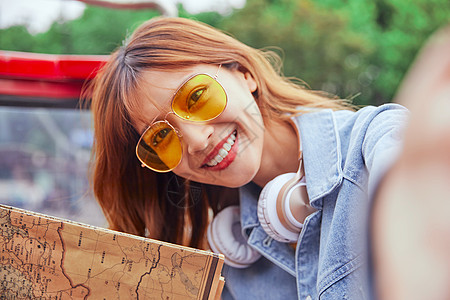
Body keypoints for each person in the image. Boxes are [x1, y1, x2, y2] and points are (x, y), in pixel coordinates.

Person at [86, 17, 447, 299]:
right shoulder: (230, 266)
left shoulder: (377, 142)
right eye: (161, 137)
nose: (195, 141)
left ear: (243, 75)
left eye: (195, 97)